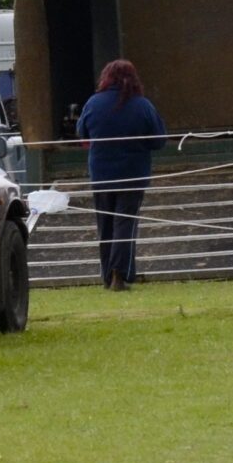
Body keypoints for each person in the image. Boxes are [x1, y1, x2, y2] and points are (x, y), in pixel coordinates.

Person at [76, 59, 165, 290]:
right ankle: (119, 272)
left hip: (101, 174)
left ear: (106, 78)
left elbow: (81, 132)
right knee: (125, 223)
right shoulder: (142, 105)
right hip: (132, 174)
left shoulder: (93, 103)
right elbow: (158, 140)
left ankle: (107, 275)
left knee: (104, 224)